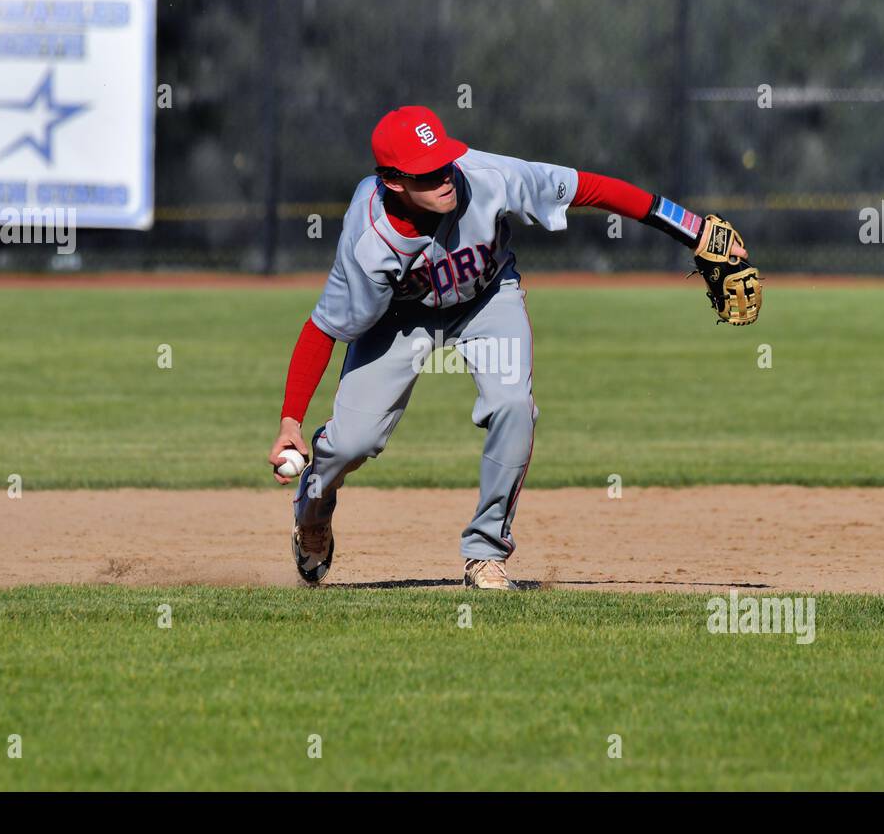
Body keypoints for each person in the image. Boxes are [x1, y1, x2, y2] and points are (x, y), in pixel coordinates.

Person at [267, 105, 747, 589]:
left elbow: (589, 187)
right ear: (394, 182)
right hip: (398, 317)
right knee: (354, 441)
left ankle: (486, 553)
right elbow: (323, 326)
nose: (444, 178)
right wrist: (291, 420)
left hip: (486, 297)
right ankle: (314, 503)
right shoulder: (367, 238)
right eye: (427, 173)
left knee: (514, 405)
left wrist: (694, 228)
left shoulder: (487, 175)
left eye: (445, 161)